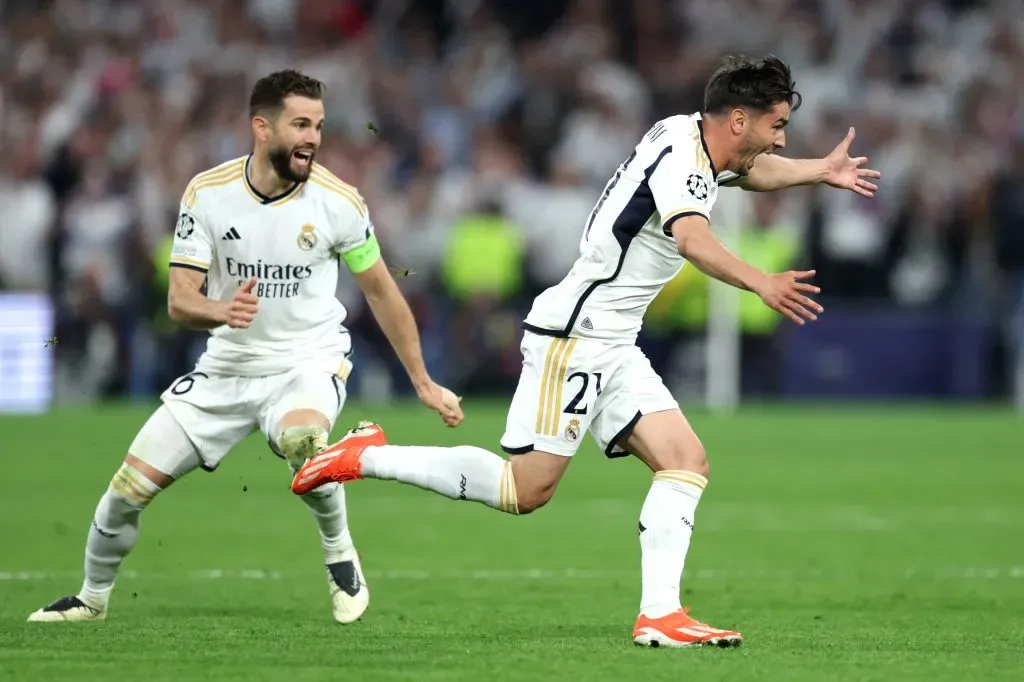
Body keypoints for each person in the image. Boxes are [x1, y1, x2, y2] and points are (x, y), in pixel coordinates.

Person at [291, 55, 881, 647]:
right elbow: (692, 237)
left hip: (613, 340)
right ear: (737, 119)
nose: (780, 139)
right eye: (775, 125)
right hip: (577, 336)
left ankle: (660, 615)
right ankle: (366, 456)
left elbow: (749, 172)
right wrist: (761, 280)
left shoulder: (692, 139)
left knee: (686, 460)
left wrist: (817, 170)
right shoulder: (684, 161)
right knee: (526, 490)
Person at [28, 70, 462, 624]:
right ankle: (91, 599)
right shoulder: (207, 195)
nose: (313, 138)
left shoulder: (339, 203)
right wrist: (220, 310)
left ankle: (340, 555)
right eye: (300, 124)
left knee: (303, 439)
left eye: (320, 126)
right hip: (227, 367)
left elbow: (381, 290)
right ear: (262, 127)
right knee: (126, 491)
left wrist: (423, 381)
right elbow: (180, 300)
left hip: (307, 361)